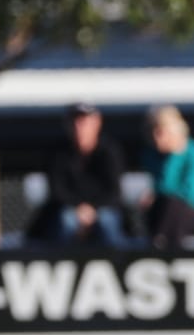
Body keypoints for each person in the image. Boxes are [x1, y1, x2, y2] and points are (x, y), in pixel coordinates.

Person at [28, 103, 129, 245]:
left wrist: (92, 209)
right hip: (71, 209)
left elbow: (114, 191)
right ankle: (64, 257)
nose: (79, 127)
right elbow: (57, 191)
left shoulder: (110, 151)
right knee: (66, 220)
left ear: (97, 123)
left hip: (103, 208)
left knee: (107, 221)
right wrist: (79, 208)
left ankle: (115, 258)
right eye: (75, 122)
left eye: (84, 122)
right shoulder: (58, 153)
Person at [140, 105, 194, 249]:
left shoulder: (193, 152)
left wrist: (175, 155)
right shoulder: (151, 154)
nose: (156, 137)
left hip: (190, 210)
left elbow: (187, 190)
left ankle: (161, 246)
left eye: (160, 132)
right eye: (153, 132)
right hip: (162, 211)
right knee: (161, 207)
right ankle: (160, 244)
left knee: (172, 205)